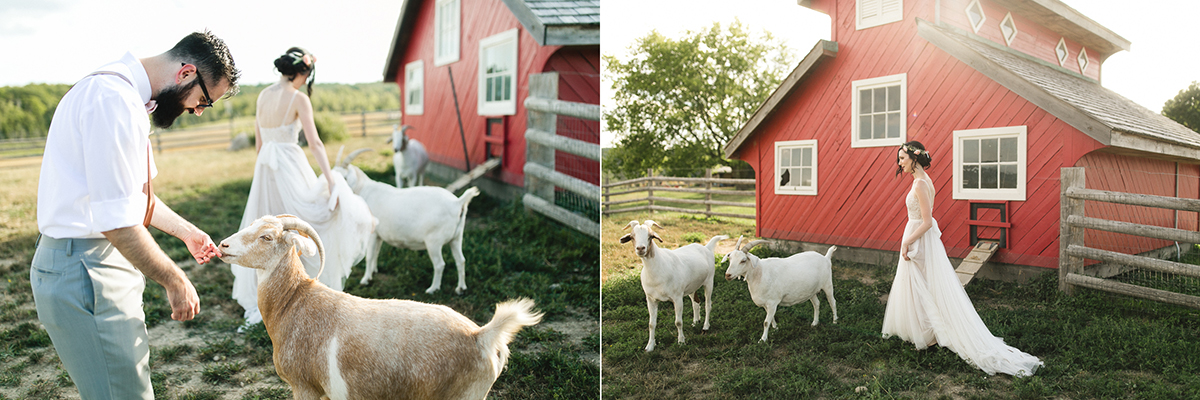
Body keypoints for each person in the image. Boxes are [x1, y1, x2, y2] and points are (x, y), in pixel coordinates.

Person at [32, 31, 239, 399]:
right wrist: (175, 279)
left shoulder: (126, 95)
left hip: (98, 262)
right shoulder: (112, 100)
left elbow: (135, 198)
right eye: (204, 101)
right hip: (83, 268)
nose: (197, 111)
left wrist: (187, 232)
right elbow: (116, 221)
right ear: (186, 72)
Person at [230, 47, 374, 328]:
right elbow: (316, 143)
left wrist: (261, 170)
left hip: (265, 166)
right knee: (304, 220)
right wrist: (332, 181)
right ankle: (303, 287)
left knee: (267, 226)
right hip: (289, 165)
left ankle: (273, 288)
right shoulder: (299, 99)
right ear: (305, 73)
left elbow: (260, 143)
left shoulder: (262, 96)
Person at [881, 141, 1043, 377]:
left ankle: (929, 334)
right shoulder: (925, 181)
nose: (899, 163)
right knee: (918, 284)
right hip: (920, 236)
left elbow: (926, 222)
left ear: (914, 159)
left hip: (919, 237)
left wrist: (906, 241)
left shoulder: (919, 184)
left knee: (920, 284)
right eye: (899, 159)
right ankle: (927, 333)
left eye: (902, 158)